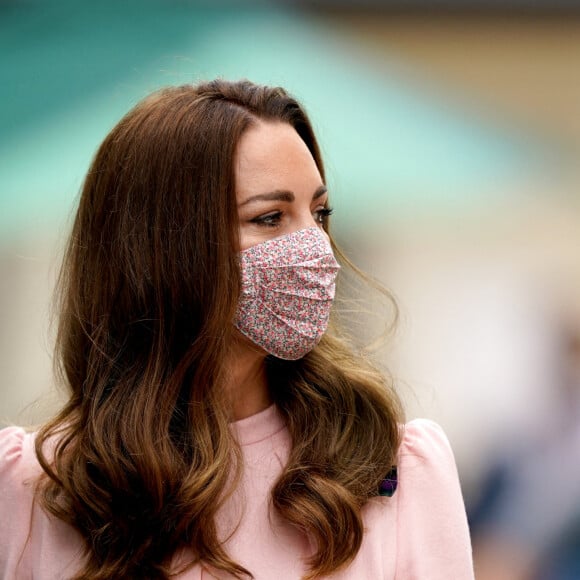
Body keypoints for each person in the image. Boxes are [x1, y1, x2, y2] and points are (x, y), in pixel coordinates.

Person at [0, 79, 474, 579]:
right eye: (270, 217)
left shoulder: (392, 471)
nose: (314, 248)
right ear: (162, 250)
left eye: (319, 212)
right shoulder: (30, 487)